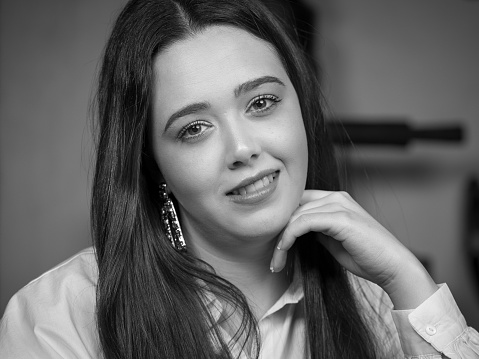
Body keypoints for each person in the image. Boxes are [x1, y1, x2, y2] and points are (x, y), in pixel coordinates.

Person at [0, 0, 478, 358]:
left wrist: (407, 281)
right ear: (152, 164)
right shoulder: (58, 315)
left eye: (262, 102)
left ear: (302, 108)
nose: (243, 148)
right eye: (194, 129)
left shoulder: (374, 304)